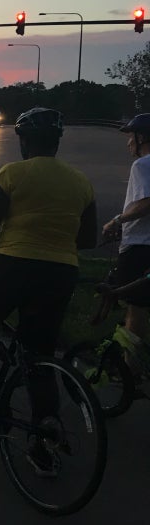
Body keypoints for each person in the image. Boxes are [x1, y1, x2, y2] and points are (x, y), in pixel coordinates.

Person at [0, 107, 97, 470]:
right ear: (56, 143)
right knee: (38, 353)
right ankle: (43, 439)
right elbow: (88, 239)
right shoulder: (81, 181)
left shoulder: (12, 173)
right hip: (61, 271)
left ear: (24, 141)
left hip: (12, 264)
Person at [101, 113, 150, 362]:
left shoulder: (142, 165)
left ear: (142, 138)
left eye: (131, 137)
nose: (128, 142)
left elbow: (145, 203)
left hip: (140, 248)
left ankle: (131, 370)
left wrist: (117, 221)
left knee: (135, 308)